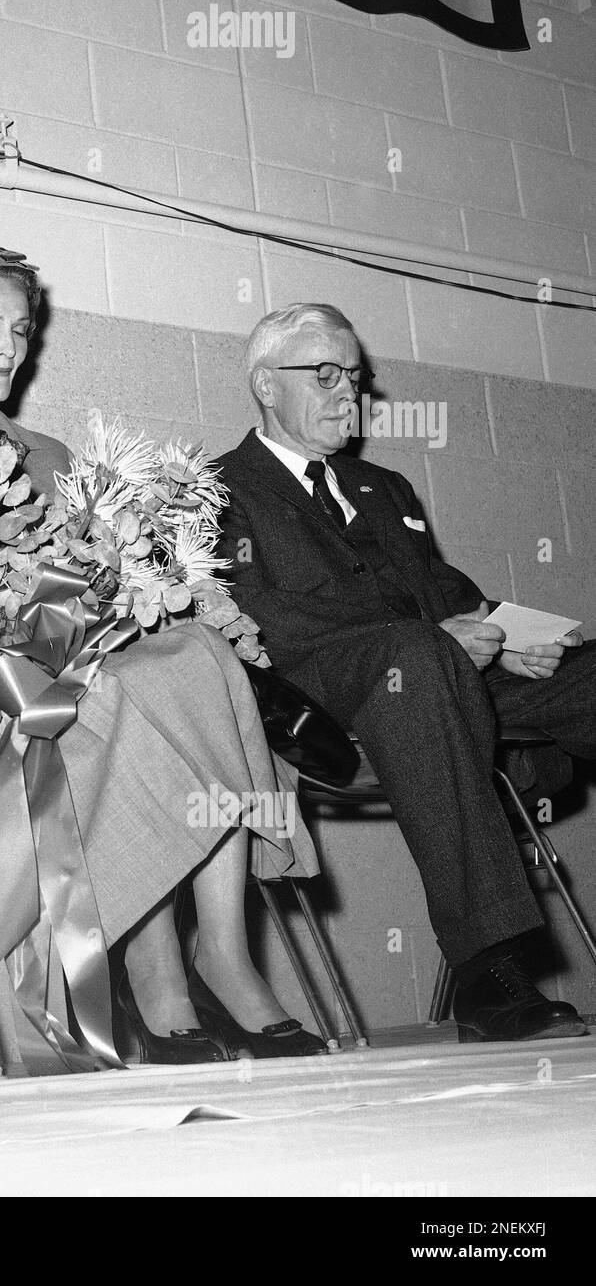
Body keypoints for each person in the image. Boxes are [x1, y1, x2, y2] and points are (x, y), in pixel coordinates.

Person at [0, 243, 323, 1066]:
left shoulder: (56, 460)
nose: (8, 348)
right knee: (121, 698)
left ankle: (223, 954)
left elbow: (102, 585)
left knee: (198, 652)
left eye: (20, 330)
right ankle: (160, 973)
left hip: (82, 667)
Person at [214, 302, 592, 1042]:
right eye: (323, 373)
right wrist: (436, 637)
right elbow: (254, 616)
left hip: (443, 675)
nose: (345, 390)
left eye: (352, 376)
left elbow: (453, 599)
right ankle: (491, 971)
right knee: (417, 658)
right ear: (265, 383)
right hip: (326, 700)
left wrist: (508, 638)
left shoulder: (382, 490)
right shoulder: (215, 486)